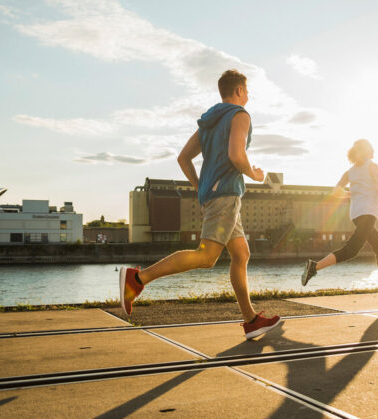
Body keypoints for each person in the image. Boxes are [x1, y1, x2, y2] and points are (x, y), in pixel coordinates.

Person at [120, 69, 282, 340]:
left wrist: (199, 186)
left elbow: (184, 158)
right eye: (248, 89)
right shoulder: (240, 116)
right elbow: (236, 154)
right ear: (240, 91)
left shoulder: (209, 121)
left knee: (241, 254)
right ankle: (137, 279)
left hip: (214, 193)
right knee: (207, 257)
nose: (249, 94)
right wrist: (254, 174)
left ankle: (251, 319)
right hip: (226, 194)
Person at [300, 139, 378, 302]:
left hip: (356, 215)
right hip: (368, 213)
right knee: (352, 250)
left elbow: (336, 192)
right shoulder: (372, 166)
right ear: (368, 151)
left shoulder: (349, 172)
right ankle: (314, 267)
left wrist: (350, 194)